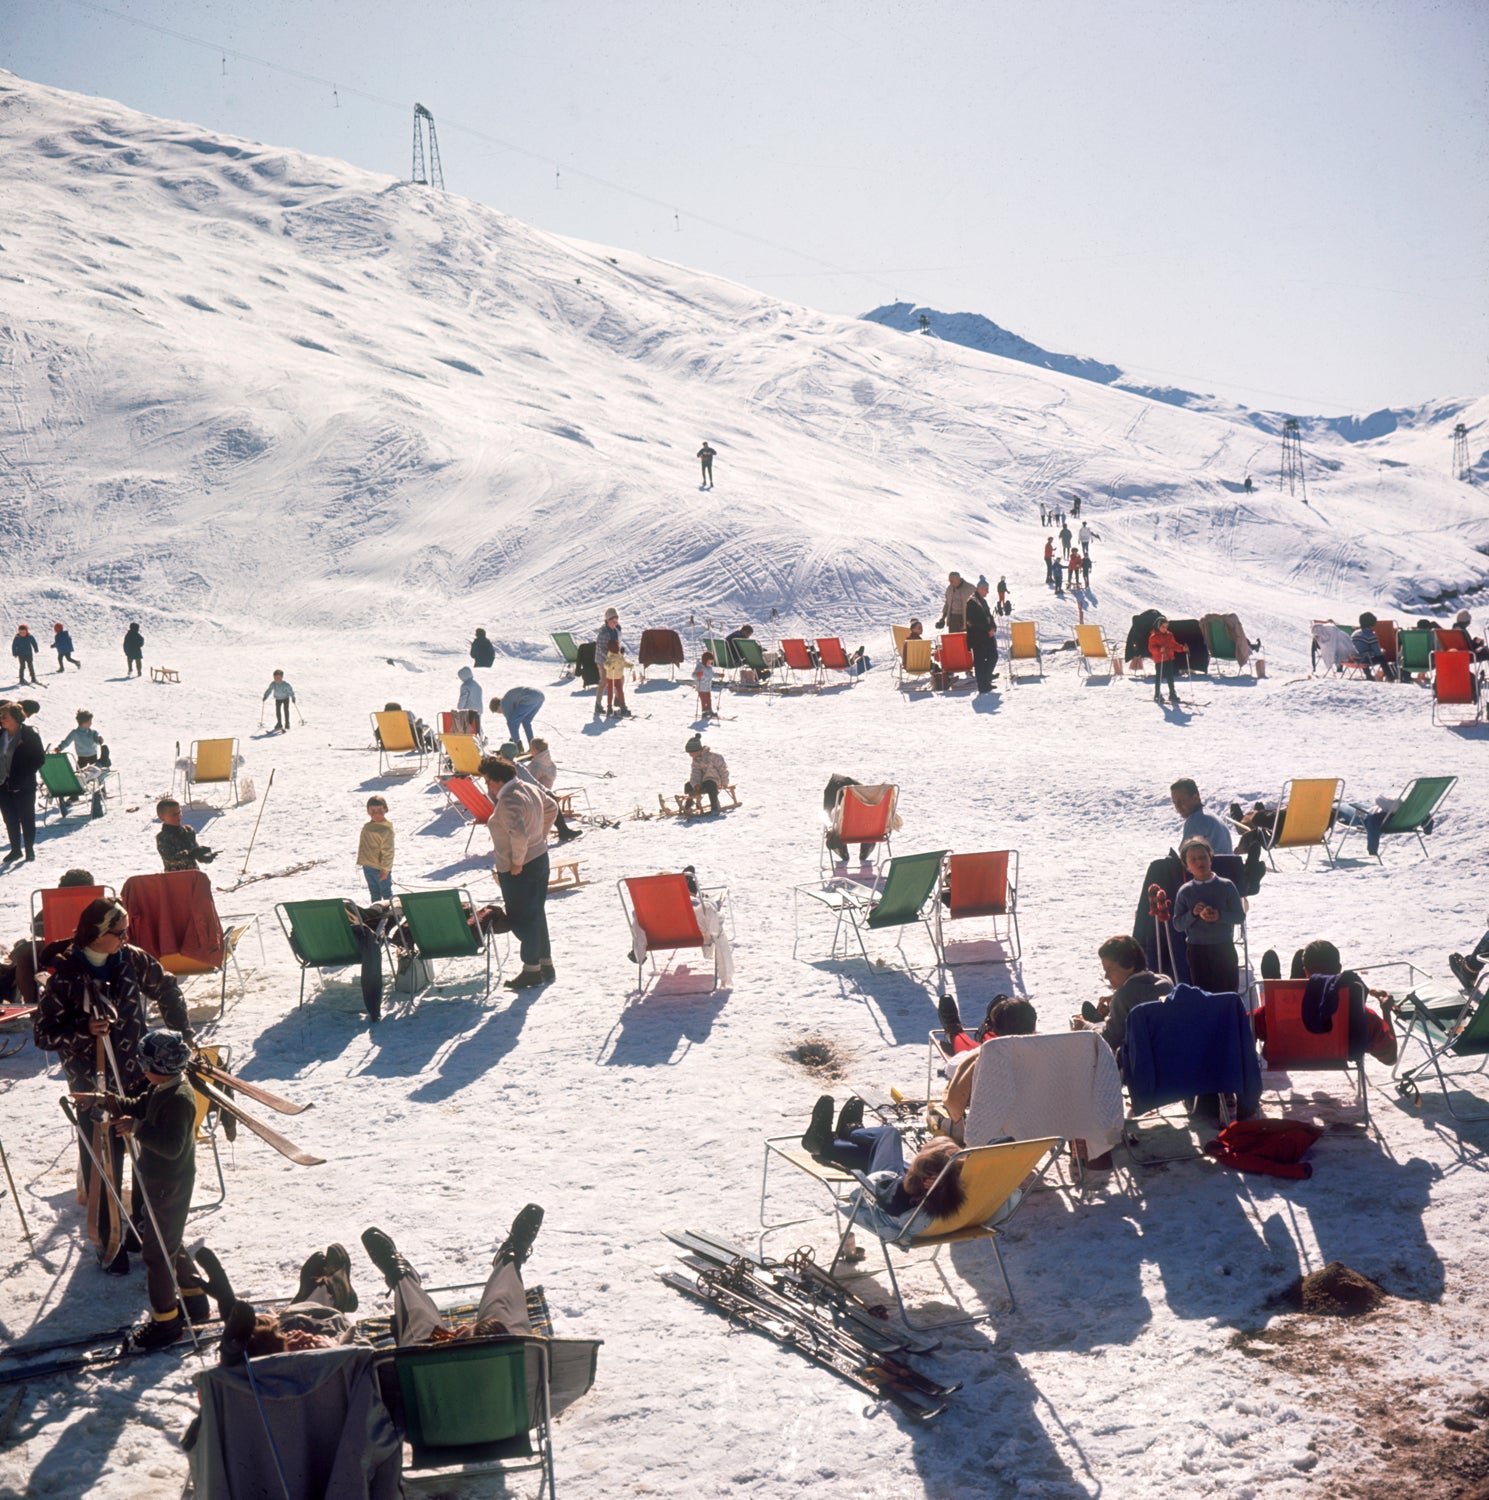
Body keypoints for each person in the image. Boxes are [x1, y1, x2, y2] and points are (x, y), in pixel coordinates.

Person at [34, 898, 195, 1274]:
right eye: (119, 933)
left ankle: (142, 1228)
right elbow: (43, 1034)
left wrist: (181, 1035)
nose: (126, 938)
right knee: (105, 1161)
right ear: (96, 933)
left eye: (126, 932)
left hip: (140, 1078)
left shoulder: (132, 960)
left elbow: (168, 988)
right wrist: (82, 1030)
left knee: (146, 1152)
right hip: (94, 1081)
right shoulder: (66, 974)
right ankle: (109, 1240)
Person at [76, 1029, 211, 1346]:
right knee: (168, 1243)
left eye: (143, 1062)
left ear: (159, 1066)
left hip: (169, 1182)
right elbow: (137, 1104)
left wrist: (136, 1129)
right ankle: (194, 1299)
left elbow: (172, 1146)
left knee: (156, 1254)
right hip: (161, 1179)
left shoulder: (178, 1099)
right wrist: (103, 1099)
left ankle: (166, 1322)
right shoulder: (164, 1087)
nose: (139, 1067)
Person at [800, 1097, 965, 1236]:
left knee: (889, 1134)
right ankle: (825, 1144)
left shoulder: (904, 1197)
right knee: (878, 1153)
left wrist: (916, 1182)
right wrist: (943, 1184)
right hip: (919, 1203)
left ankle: (849, 1133)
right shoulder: (954, 1194)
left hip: (886, 1189)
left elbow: (890, 1193)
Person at [1254, 939, 1397, 1065]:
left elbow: (1244, 1028)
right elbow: (1390, 1058)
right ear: (1340, 969)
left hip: (1286, 1046)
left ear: (1305, 971)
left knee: (1284, 1006)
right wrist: (1386, 1011)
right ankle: (1291, 986)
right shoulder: (1359, 1016)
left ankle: (1284, 987)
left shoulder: (1272, 1013)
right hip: (1336, 1054)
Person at [482, 756, 556, 990]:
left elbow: (519, 835)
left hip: (520, 867)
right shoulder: (529, 788)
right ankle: (545, 964)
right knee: (536, 912)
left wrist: (517, 862)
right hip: (539, 858)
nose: (487, 787)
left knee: (522, 917)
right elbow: (551, 807)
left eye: (487, 781)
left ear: (496, 780)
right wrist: (541, 837)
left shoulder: (509, 800)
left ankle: (531, 969)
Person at [1, 867, 96, 1008]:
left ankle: (32, 1004)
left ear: (60, 889)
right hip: (95, 951)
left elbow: (35, 928)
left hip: (57, 953)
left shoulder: (55, 904)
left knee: (25, 954)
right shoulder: (99, 903)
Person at [1071, 933, 1173, 1051]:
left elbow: (1108, 1041)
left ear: (1129, 965)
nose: (1106, 976)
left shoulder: (1123, 997)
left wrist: (1086, 1026)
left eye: (1109, 969)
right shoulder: (1165, 982)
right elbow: (1143, 994)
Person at [1172, 837, 1244, 994]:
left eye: (1203, 857)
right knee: (1202, 994)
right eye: (1193, 859)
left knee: (1226, 992)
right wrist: (1193, 913)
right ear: (1187, 866)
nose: (1199, 862)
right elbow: (1178, 924)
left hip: (1223, 947)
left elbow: (1239, 916)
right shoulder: (1185, 892)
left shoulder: (1226, 885)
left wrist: (1220, 915)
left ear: (1210, 859)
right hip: (1197, 951)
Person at [498, 742, 580, 842]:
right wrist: (547, 792)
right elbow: (532, 783)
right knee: (551, 800)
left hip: (525, 794)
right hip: (528, 796)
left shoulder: (502, 767)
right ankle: (562, 831)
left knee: (550, 797)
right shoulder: (517, 768)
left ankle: (563, 830)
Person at [0, 700, 45, 863]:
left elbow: (39, 759)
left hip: (23, 784)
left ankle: (29, 850)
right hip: (2, 784)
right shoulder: (1, 735)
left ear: (16, 718)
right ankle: (15, 850)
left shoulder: (29, 734)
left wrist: (21, 778)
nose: (1, 719)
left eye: (5, 716)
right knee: (9, 818)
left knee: (27, 817)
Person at [1170, 778, 1234, 854]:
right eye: (1175, 802)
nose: (1178, 806)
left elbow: (1185, 855)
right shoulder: (1209, 815)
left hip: (1215, 865)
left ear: (1195, 798)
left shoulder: (1196, 820)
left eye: (1182, 801)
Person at [156, 798, 217, 871]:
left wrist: (204, 857)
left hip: (194, 876)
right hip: (174, 878)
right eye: (174, 814)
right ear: (162, 817)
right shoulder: (163, 837)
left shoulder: (188, 831)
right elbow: (170, 858)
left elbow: (195, 853)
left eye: (179, 812)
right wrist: (191, 854)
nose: (178, 816)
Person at [964, 577, 999, 694]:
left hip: (987, 636)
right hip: (977, 637)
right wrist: (988, 629)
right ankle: (983, 686)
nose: (987, 592)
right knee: (980, 662)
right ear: (980, 589)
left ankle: (986, 681)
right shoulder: (972, 602)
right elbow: (975, 621)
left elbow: (989, 616)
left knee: (993, 656)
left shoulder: (981, 600)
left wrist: (993, 628)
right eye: (986, 589)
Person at [593, 609, 629, 719]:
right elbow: (600, 648)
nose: (615, 622)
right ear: (607, 620)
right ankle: (598, 705)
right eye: (613, 620)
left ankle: (617, 700)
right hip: (603, 660)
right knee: (604, 681)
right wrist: (610, 659)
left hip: (613, 659)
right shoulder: (603, 632)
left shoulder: (617, 630)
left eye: (616, 620)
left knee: (620, 678)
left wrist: (619, 652)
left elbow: (616, 644)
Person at [357, 796, 394, 903]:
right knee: (374, 893)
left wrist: (385, 869)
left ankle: (392, 914)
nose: (376, 814)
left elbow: (388, 851)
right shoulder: (368, 827)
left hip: (380, 868)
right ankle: (376, 913)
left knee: (386, 893)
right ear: (368, 811)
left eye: (380, 810)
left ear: (385, 810)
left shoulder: (386, 829)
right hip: (367, 865)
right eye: (373, 811)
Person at [683, 735, 729, 815]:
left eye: (691, 753)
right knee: (688, 785)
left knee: (710, 785)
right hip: (702, 782)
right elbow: (695, 774)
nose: (690, 755)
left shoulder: (714, 757)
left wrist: (725, 782)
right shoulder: (695, 761)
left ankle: (714, 806)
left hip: (714, 781)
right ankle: (690, 802)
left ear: (697, 750)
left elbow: (723, 770)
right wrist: (696, 784)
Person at [1350, 612, 1394, 682]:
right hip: (1364, 659)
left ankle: (1369, 675)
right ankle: (1390, 677)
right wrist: (1382, 651)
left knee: (1364, 653)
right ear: (1371, 624)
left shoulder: (1354, 633)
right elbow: (1378, 653)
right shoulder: (1370, 635)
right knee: (1381, 658)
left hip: (1354, 659)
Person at [1148, 616, 1181, 706]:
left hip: (1169, 658)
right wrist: (1159, 650)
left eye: (1166, 627)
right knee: (1159, 677)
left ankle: (1172, 694)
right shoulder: (1153, 637)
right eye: (1163, 627)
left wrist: (1182, 648)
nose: (1165, 629)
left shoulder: (1169, 635)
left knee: (1170, 676)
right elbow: (1151, 648)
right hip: (1160, 660)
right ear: (1158, 626)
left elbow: (1174, 645)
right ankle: (1157, 694)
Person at [601, 639, 630, 718]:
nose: (618, 647)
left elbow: (623, 663)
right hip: (612, 677)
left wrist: (629, 665)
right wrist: (610, 666)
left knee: (618, 692)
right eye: (617, 646)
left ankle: (619, 707)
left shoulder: (617, 655)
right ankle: (613, 707)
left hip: (616, 677)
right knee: (614, 692)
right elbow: (606, 665)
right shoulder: (611, 656)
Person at [455, 666, 482, 735]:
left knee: (468, 730)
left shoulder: (465, 685)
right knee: (477, 727)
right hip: (479, 710)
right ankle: (480, 738)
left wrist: (459, 707)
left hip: (468, 710)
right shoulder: (477, 685)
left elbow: (463, 698)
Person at [694, 650, 719, 720]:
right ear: (705, 660)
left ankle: (709, 710)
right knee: (704, 699)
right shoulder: (700, 667)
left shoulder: (710, 668)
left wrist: (719, 675)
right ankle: (704, 711)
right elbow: (693, 675)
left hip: (708, 687)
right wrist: (698, 674)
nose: (710, 663)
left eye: (711, 662)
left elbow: (713, 674)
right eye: (709, 662)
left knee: (708, 699)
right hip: (701, 687)